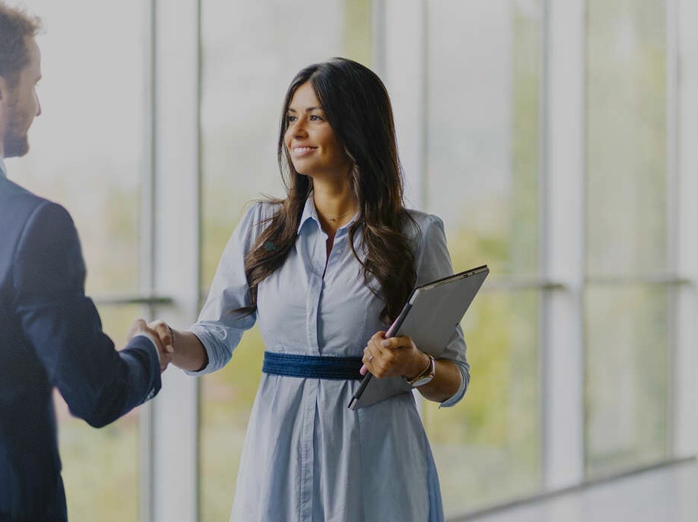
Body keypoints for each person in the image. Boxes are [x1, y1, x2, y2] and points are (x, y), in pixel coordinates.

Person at [150, 57, 470, 521]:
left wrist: (415, 366)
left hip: (375, 461)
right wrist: (169, 343)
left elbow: (454, 379)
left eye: (315, 117)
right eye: (290, 118)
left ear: (358, 127)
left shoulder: (416, 236)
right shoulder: (260, 227)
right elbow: (215, 338)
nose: (295, 132)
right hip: (277, 453)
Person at [0, 0, 170, 521]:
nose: (39, 107)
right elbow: (95, 394)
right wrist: (147, 353)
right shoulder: (35, 226)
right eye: (34, 84)